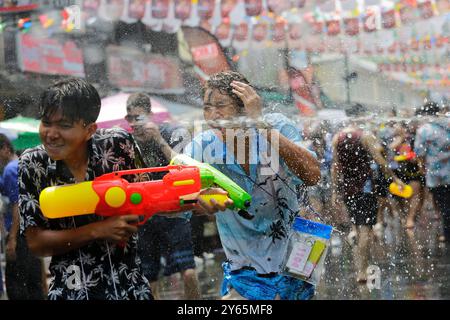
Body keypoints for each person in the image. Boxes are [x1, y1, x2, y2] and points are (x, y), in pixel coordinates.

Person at [18, 78, 226, 300]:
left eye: (64, 125)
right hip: (72, 291)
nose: (51, 133)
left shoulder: (117, 145)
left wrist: (194, 199)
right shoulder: (33, 164)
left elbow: (146, 198)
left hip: (130, 287)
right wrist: (98, 230)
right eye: (46, 122)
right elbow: (36, 242)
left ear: (90, 130)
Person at [183, 71, 321, 300]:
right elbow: (177, 196)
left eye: (221, 106)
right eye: (207, 107)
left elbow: (312, 175)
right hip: (243, 274)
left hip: (295, 265)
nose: (212, 115)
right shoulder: (202, 146)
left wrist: (261, 124)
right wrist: (199, 199)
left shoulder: (276, 127)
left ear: (245, 106)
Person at [125, 92, 201, 299]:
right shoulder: (129, 141)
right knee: (149, 276)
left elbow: (183, 167)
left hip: (174, 210)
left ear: (150, 115)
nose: (134, 123)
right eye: (129, 119)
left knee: (187, 269)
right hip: (145, 214)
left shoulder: (170, 132)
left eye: (138, 118)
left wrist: (158, 139)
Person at [331, 103, 406, 283]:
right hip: (365, 188)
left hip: (348, 189)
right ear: (360, 116)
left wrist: (335, 191)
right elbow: (380, 161)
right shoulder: (365, 136)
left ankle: (359, 263)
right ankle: (361, 271)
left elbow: (335, 167)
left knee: (357, 226)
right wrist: (395, 179)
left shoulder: (337, 137)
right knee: (365, 229)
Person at [0, 134, 46, 299]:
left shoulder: (10, 169)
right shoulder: (21, 163)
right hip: (30, 229)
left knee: (16, 282)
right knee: (33, 279)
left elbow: (17, 205)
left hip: (19, 233)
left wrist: (11, 238)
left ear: (5, 149)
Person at [414, 102, 450, 242]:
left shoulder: (424, 130)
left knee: (443, 205)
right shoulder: (447, 124)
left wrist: (422, 168)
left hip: (436, 175)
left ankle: (447, 234)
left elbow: (419, 153)